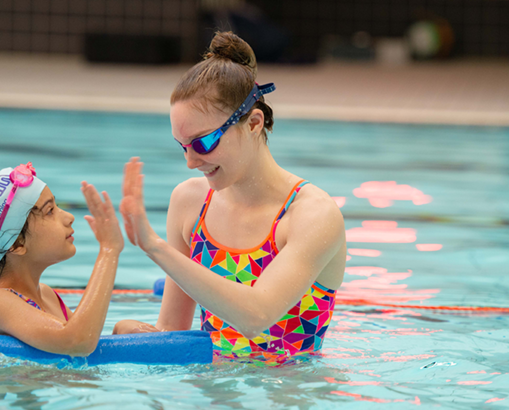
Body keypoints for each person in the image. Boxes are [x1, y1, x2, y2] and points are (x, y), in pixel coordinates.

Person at [114, 32, 346, 364]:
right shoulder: (190, 203)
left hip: (289, 393)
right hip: (213, 391)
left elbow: (257, 316)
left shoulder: (311, 215)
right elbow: (173, 331)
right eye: (182, 146)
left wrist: (154, 245)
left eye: (203, 143)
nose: (191, 162)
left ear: (253, 123)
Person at [0, 162, 123, 356]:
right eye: (50, 211)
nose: (69, 217)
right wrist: (109, 251)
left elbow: (86, 344)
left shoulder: (47, 296)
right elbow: (77, 342)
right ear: (16, 244)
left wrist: (120, 335)